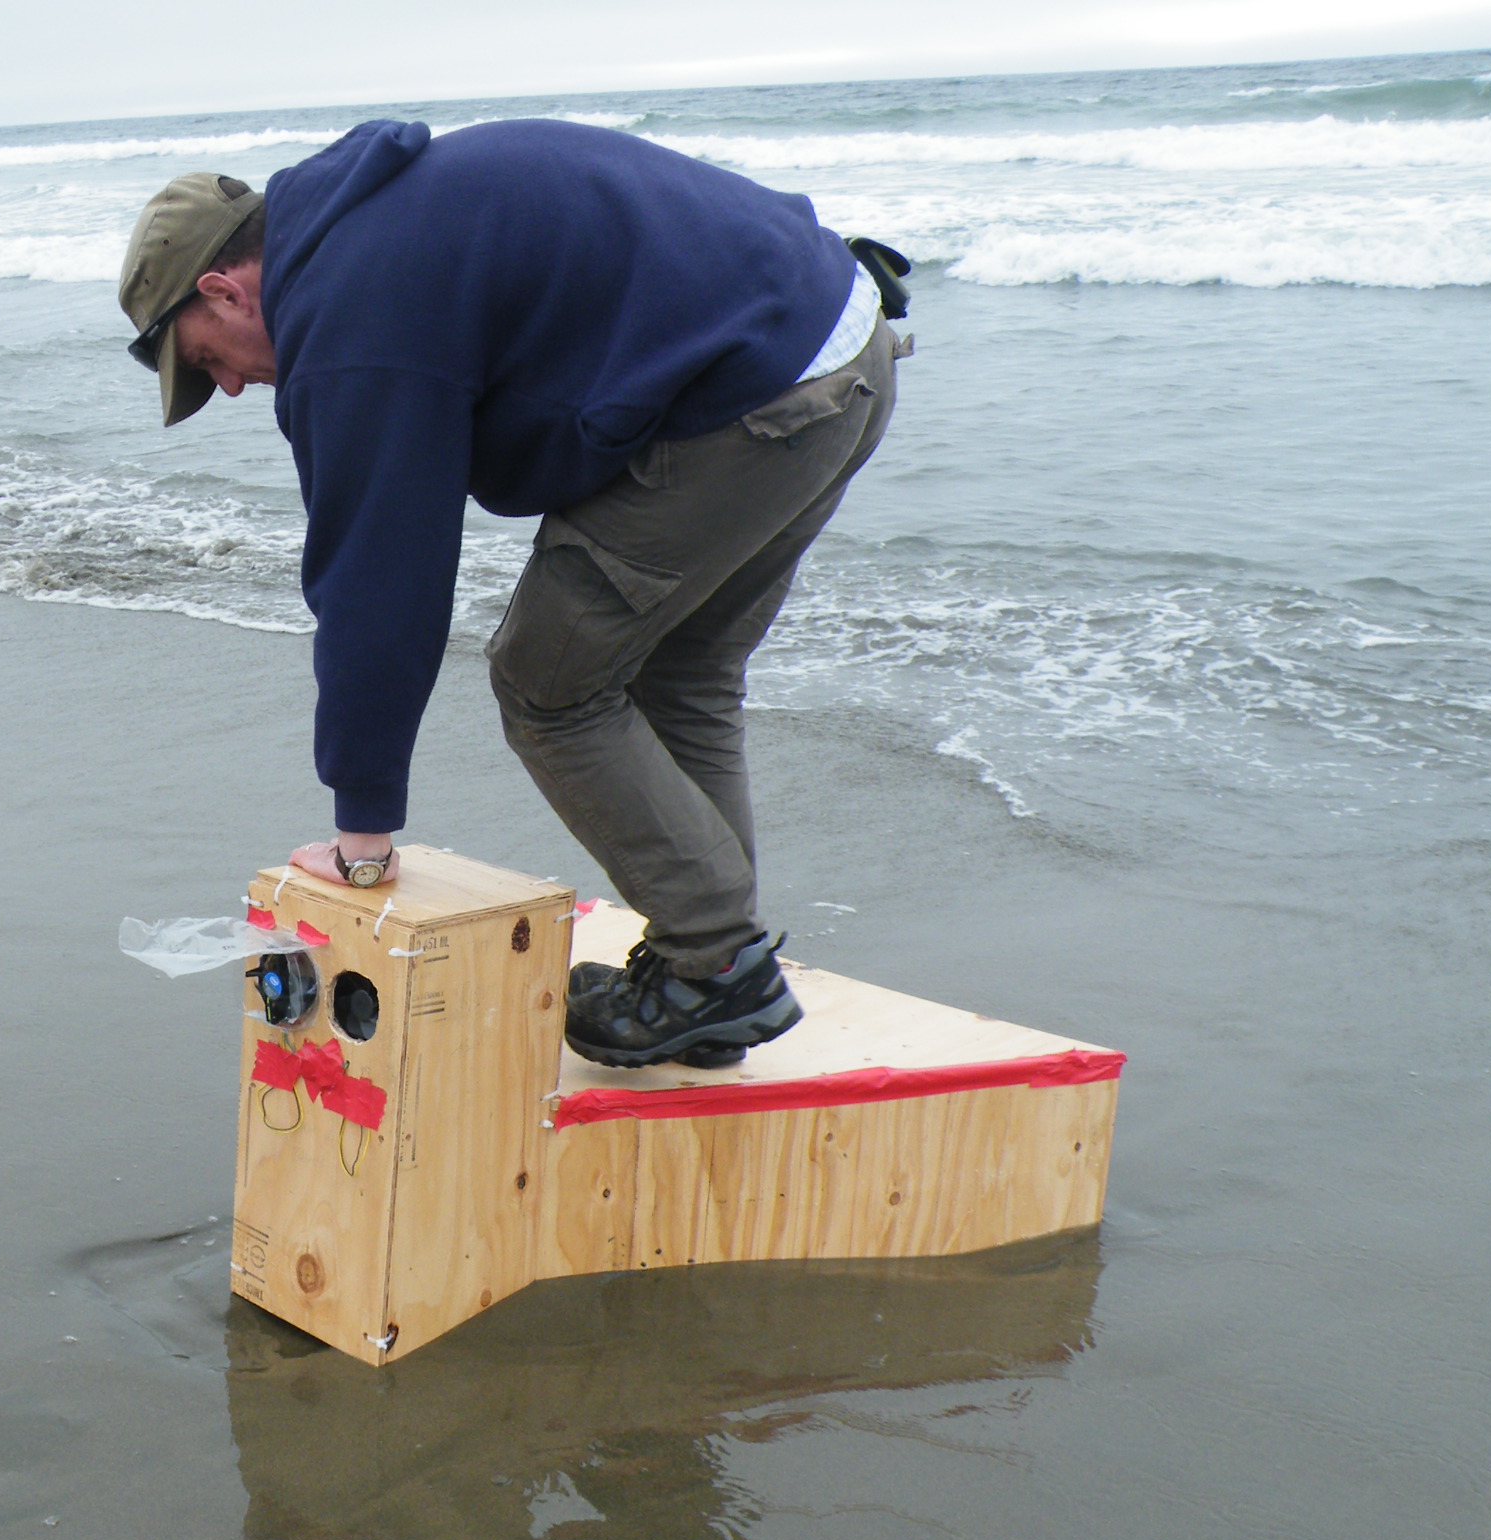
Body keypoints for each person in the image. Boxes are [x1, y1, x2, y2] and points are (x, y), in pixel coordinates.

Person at [117, 119, 903, 1068]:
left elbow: (378, 577)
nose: (232, 388)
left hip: (751, 398)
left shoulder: (347, 309)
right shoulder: (374, 214)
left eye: (207, 360)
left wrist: (363, 829)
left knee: (550, 683)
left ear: (224, 288)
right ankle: (700, 975)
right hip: (842, 340)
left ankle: (717, 966)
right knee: (682, 672)